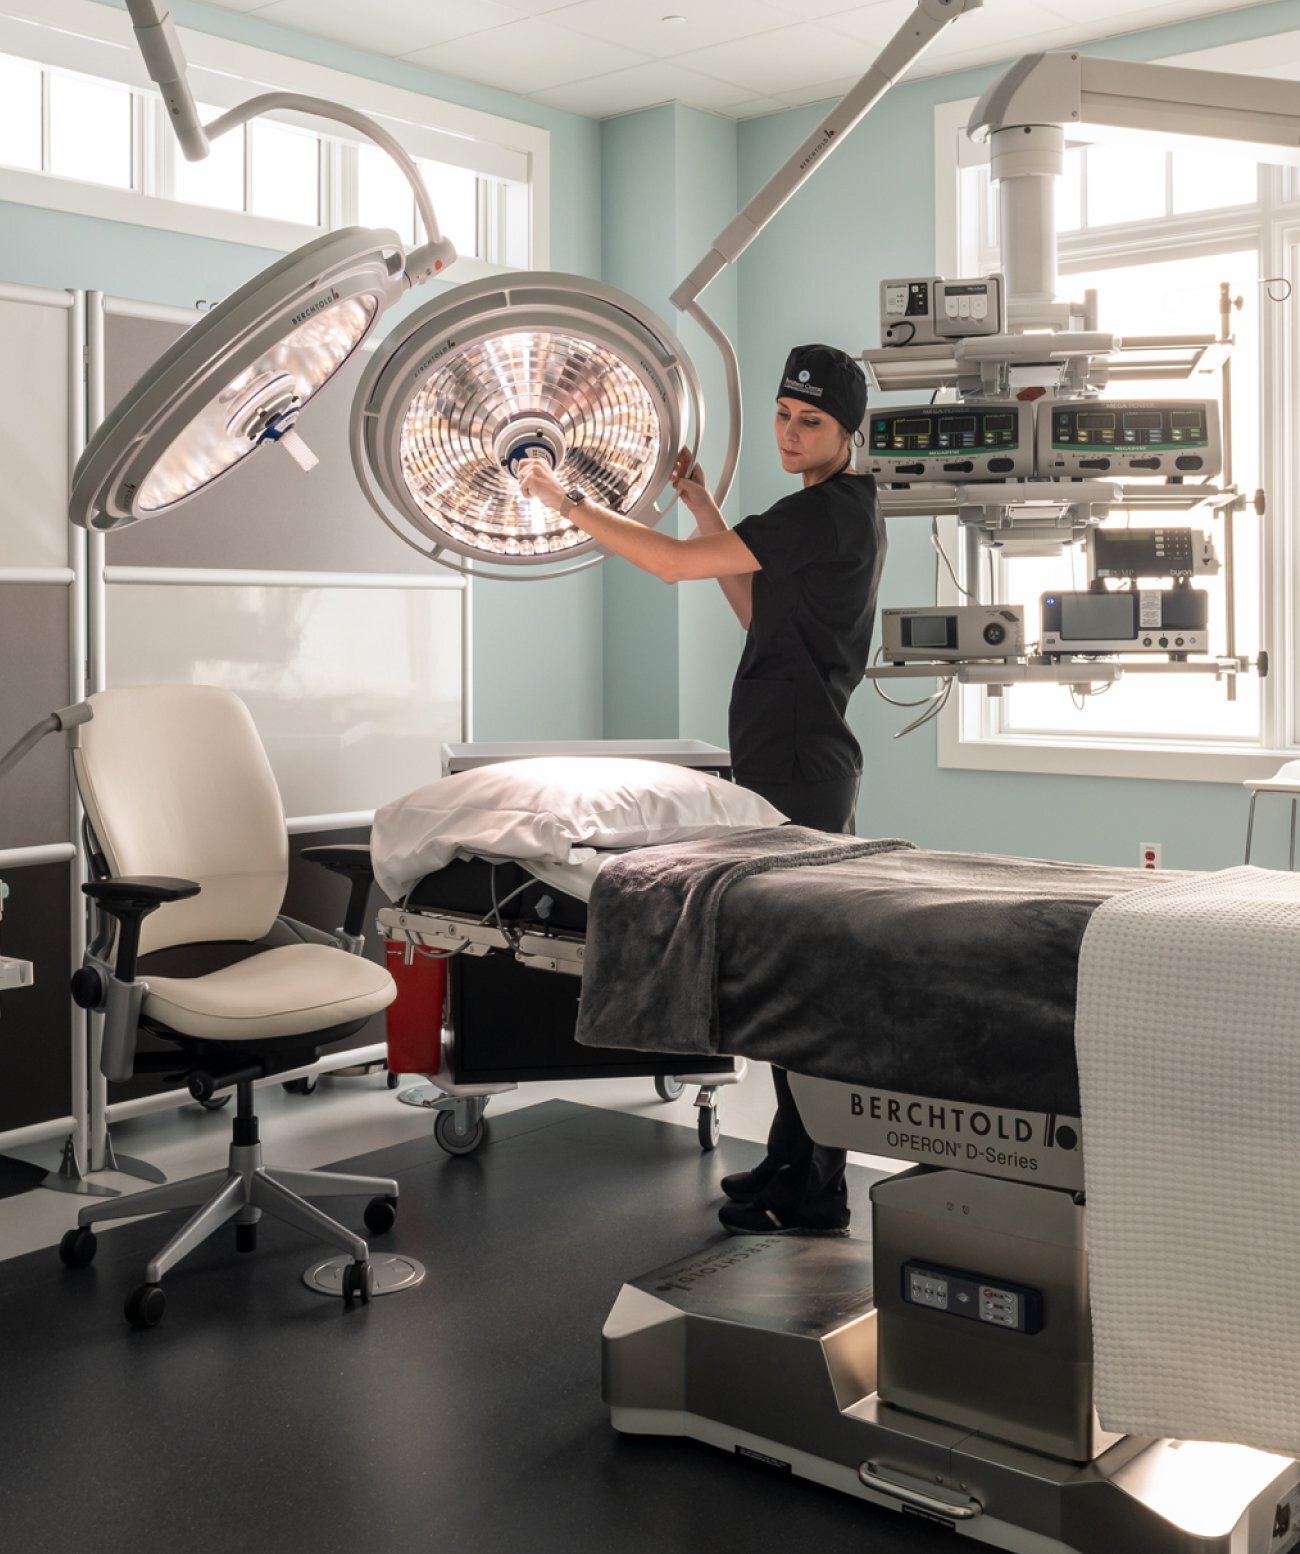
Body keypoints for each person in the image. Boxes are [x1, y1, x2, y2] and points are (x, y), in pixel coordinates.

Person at [518, 343, 886, 1237]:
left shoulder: (828, 513)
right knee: (783, 969)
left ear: (850, 432)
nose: (791, 434)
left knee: (796, 974)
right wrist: (700, 504)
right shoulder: (823, 514)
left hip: (800, 769)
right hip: (791, 761)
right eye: (784, 415)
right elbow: (756, 610)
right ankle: (792, 1162)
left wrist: (560, 500)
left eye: (813, 423)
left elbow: (676, 568)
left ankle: (818, 1187)